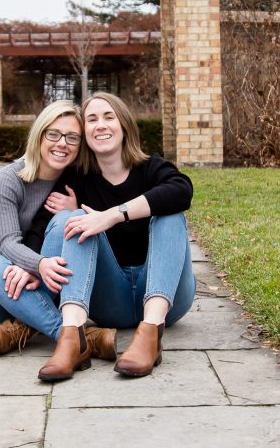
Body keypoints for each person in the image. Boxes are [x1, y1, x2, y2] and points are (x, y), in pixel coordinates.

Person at [36, 91, 195, 381]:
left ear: (124, 125)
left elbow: (182, 190)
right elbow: (44, 231)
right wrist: (31, 264)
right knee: (76, 219)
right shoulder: (77, 180)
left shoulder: (151, 168)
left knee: (170, 212)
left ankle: (151, 332)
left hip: (167, 299)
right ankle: (72, 338)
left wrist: (110, 215)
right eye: (92, 119)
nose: (101, 125)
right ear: (85, 132)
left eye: (109, 117)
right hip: (111, 301)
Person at [0, 100, 116, 360]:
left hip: (48, 287)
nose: (62, 143)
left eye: (72, 138)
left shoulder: (76, 182)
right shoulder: (7, 180)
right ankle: (78, 338)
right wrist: (38, 264)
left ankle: (24, 330)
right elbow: (6, 243)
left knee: (68, 221)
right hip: (3, 286)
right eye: (54, 134)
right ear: (39, 135)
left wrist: (76, 207)